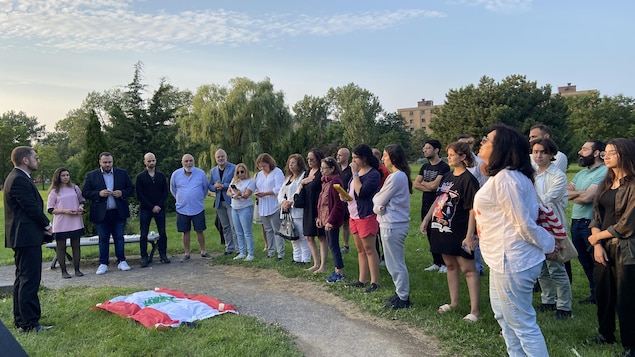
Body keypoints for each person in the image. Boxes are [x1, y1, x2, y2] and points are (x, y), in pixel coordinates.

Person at [473, 124, 554, 356]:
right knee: (504, 318)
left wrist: (550, 244)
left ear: (501, 147)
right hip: (502, 259)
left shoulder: (507, 179)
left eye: (486, 139)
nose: (482, 142)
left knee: (522, 324)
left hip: (512, 260)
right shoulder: (504, 176)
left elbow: (523, 225)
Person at [586, 138, 635, 357]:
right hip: (602, 245)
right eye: (605, 152)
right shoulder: (606, 182)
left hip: (626, 248)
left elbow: (628, 223)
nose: (606, 156)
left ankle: (631, 345)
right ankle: (605, 334)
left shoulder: (633, 185)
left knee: (626, 297)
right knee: (604, 293)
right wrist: (597, 242)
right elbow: (597, 215)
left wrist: (597, 239)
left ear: (625, 154)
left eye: (611, 152)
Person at [422, 141, 480, 322]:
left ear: (463, 157)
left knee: (468, 269)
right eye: (448, 154)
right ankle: (454, 302)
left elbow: (473, 209)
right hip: (441, 228)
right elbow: (439, 199)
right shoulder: (447, 176)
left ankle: (475, 310)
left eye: (452, 154)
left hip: (460, 230)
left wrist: (470, 235)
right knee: (450, 266)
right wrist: (427, 219)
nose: (449, 157)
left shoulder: (469, 180)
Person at [4, 146, 53, 332]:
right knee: (29, 279)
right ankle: (29, 323)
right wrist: (47, 226)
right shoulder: (18, 179)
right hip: (25, 237)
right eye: (35, 157)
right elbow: (30, 207)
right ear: (25, 160)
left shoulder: (18, 178)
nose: (37, 160)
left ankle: (22, 320)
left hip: (23, 237)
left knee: (22, 278)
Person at [531, 138, 573, 320]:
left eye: (543, 152)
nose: (539, 155)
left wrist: (528, 200)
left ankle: (564, 306)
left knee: (556, 267)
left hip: (553, 227)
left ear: (551, 155)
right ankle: (548, 300)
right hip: (536, 225)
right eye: (535, 151)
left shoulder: (558, 175)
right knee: (541, 268)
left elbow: (547, 200)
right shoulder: (532, 174)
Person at [567, 140, 607, 304]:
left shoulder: (604, 171)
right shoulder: (581, 174)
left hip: (591, 224)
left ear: (596, 153)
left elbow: (588, 198)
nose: (579, 152)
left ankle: (604, 295)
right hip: (576, 222)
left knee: (597, 261)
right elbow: (563, 193)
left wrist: (577, 194)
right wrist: (581, 193)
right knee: (584, 261)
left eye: (584, 149)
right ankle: (595, 294)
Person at [373, 144, 412, 309]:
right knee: (392, 262)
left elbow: (379, 200)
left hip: (393, 224)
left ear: (393, 158)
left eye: (385, 155)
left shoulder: (397, 177)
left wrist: (378, 207)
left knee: (395, 263)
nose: (383, 159)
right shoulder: (397, 176)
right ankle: (400, 292)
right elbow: (378, 200)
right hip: (391, 223)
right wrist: (378, 206)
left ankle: (403, 297)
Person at [83, 152, 134, 275]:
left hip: (118, 211)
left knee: (119, 237)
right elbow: (85, 192)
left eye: (110, 162)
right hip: (101, 213)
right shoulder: (92, 175)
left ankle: (121, 261)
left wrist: (122, 193)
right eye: (105, 162)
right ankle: (103, 263)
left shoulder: (121, 173)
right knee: (103, 239)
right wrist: (98, 194)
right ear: (100, 162)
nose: (107, 164)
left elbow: (131, 188)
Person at [344, 145, 381, 292]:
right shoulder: (358, 173)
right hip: (354, 215)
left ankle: (375, 282)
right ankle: (362, 279)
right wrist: (344, 195)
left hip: (366, 215)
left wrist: (354, 174)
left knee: (369, 249)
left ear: (364, 158)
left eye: (355, 158)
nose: (353, 161)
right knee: (360, 249)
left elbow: (362, 192)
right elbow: (352, 191)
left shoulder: (373, 174)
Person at [414, 139, 450, 273]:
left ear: (436, 150)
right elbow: (416, 184)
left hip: (439, 204)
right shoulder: (425, 167)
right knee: (429, 233)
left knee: (439, 233)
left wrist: (427, 186)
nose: (425, 150)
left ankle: (445, 263)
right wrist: (430, 187)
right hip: (426, 203)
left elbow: (436, 186)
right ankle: (436, 262)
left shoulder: (444, 167)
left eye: (428, 148)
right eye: (424, 148)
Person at [170, 154, 211, 262]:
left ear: (194, 161)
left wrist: (198, 198)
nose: (189, 163)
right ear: (182, 163)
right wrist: (181, 198)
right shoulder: (176, 174)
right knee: (185, 231)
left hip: (197, 207)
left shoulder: (201, 173)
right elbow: (173, 189)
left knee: (200, 230)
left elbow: (205, 189)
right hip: (182, 208)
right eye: (186, 161)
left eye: (191, 161)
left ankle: (203, 251)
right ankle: (187, 253)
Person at [47, 167, 85, 278]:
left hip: (76, 221)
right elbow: (50, 209)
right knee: (61, 248)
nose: (65, 177)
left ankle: (77, 269)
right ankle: (64, 271)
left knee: (76, 246)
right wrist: (64, 211)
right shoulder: (54, 191)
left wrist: (80, 207)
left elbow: (82, 201)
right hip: (61, 223)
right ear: (58, 177)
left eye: (67, 175)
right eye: (63, 175)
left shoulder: (75, 188)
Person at [457, 135, 487, 276]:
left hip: (475, 204)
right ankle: (464, 263)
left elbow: (484, 186)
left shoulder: (479, 163)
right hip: (460, 205)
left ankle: (477, 267)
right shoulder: (458, 166)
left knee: (474, 235)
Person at [135, 152, 170, 267]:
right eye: (149, 161)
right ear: (145, 162)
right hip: (146, 209)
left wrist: (159, 205)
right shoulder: (140, 177)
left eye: (153, 160)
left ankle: (163, 254)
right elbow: (139, 195)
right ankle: (144, 257)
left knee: (162, 233)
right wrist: (151, 206)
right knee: (144, 234)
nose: (151, 163)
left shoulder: (161, 175)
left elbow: (165, 192)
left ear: (156, 161)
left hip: (160, 208)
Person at [317, 157, 347, 283]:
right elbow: (321, 201)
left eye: (325, 168)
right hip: (324, 216)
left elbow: (338, 204)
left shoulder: (335, 181)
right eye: (321, 168)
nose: (322, 171)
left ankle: (339, 272)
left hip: (332, 218)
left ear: (332, 168)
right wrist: (319, 217)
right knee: (330, 244)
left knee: (334, 245)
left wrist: (331, 220)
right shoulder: (325, 181)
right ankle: (337, 269)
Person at [298, 149, 328, 272]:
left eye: (312, 159)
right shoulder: (306, 173)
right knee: (309, 236)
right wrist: (302, 183)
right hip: (307, 207)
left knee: (321, 236)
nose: (309, 161)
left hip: (318, 206)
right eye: (308, 159)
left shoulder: (321, 174)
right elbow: (301, 188)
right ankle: (316, 263)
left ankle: (323, 265)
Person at [278, 154, 310, 264]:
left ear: (299, 164)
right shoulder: (287, 178)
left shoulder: (303, 177)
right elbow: (281, 192)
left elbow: (299, 192)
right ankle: (296, 257)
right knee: (292, 235)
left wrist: (290, 202)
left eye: (293, 163)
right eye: (289, 163)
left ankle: (305, 259)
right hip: (287, 211)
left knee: (301, 235)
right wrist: (283, 202)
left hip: (297, 210)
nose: (291, 166)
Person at [255, 153, 285, 260]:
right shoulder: (259, 175)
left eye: (264, 166)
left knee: (277, 230)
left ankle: (280, 253)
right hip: (263, 205)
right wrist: (258, 193)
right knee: (268, 230)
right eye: (260, 166)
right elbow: (256, 186)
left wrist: (266, 193)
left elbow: (279, 188)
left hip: (274, 204)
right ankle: (270, 251)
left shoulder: (277, 172)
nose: (262, 168)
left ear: (269, 163)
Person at [208, 149, 238, 256]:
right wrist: (215, 187)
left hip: (230, 201)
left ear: (226, 157)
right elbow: (210, 185)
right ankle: (229, 248)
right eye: (218, 157)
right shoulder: (213, 171)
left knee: (234, 225)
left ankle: (238, 248)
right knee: (225, 227)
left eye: (222, 156)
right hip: (219, 202)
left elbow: (236, 182)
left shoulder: (234, 168)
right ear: (215, 158)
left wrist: (224, 186)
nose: (220, 158)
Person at [228, 163, 257, 261]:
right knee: (238, 231)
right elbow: (228, 191)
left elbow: (247, 195)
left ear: (246, 171)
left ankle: (251, 253)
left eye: (242, 172)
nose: (240, 174)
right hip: (234, 207)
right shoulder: (234, 181)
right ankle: (242, 252)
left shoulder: (250, 181)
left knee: (247, 232)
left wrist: (240, 194)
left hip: (245, 208)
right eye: (238, 172)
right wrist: (233, 196)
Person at [337, 147, 352, 254]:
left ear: (347, 156)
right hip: (337, 200)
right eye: (337, 154)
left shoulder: (351, 170)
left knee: (346, 223)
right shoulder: (336, 169)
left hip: (347, 200)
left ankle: (346, 245)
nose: (338, 156)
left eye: (340, 155)